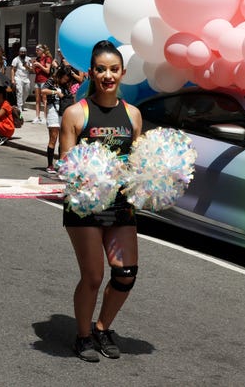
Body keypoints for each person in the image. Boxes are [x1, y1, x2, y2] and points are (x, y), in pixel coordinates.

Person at [58, 39, 142, 363]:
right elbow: (66, 162)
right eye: (101, 69)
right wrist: (92, 173)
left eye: (114, 69)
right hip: (85, 206)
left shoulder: (133, 115)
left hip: (121, 205)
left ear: (122, 73)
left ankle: (102, 327)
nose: (108, 75)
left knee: (126, 273)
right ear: (91, 73)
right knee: (93, 276)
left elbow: (137, 160)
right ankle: (82, 337)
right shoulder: (75, 114)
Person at [41, 65, 77, 174]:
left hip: (63, 111)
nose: (66, 80)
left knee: (63, 139)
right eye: (65, 77)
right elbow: (43, 90)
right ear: (61, 75)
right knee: (53, 137)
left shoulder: (66, 85)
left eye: (68, 78)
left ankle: (61, 163)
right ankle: (50, 165)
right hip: (53, 110)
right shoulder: (52, 80)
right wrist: (55, 92)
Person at [32, 44, 52, 124]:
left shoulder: (47, 58)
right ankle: (37, 116)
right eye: (36, 50)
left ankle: (45, 117)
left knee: (45, 99)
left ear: (42, 50)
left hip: (44, 80)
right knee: (37, 99)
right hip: (37, 80)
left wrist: (39, 65)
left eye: (38, 50)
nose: (36, 51)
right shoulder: (38, 59)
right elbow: (34, 72)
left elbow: (47, 70)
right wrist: (33, 66)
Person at [10, 46, 32, 115]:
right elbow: (12, 70)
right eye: (21, 52)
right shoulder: (15, 59)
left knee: (27, 91)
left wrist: (26, 66)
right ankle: (19, 107)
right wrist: (13, 79)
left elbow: (31, 69)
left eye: (24, 52)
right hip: (18, 78)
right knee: (19, 92)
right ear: (19, 52)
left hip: (26, 78)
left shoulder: (29, 59)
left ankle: (21, 103)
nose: (23, 53)